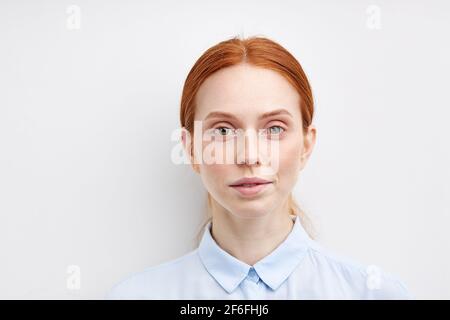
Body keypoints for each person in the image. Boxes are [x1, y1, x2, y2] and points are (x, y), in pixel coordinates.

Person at [106, 36, 412, 299]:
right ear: (191, 149)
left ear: (306, 145)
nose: (250, 156)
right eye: (224, 131)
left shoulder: (373, 294)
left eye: (275, 129)